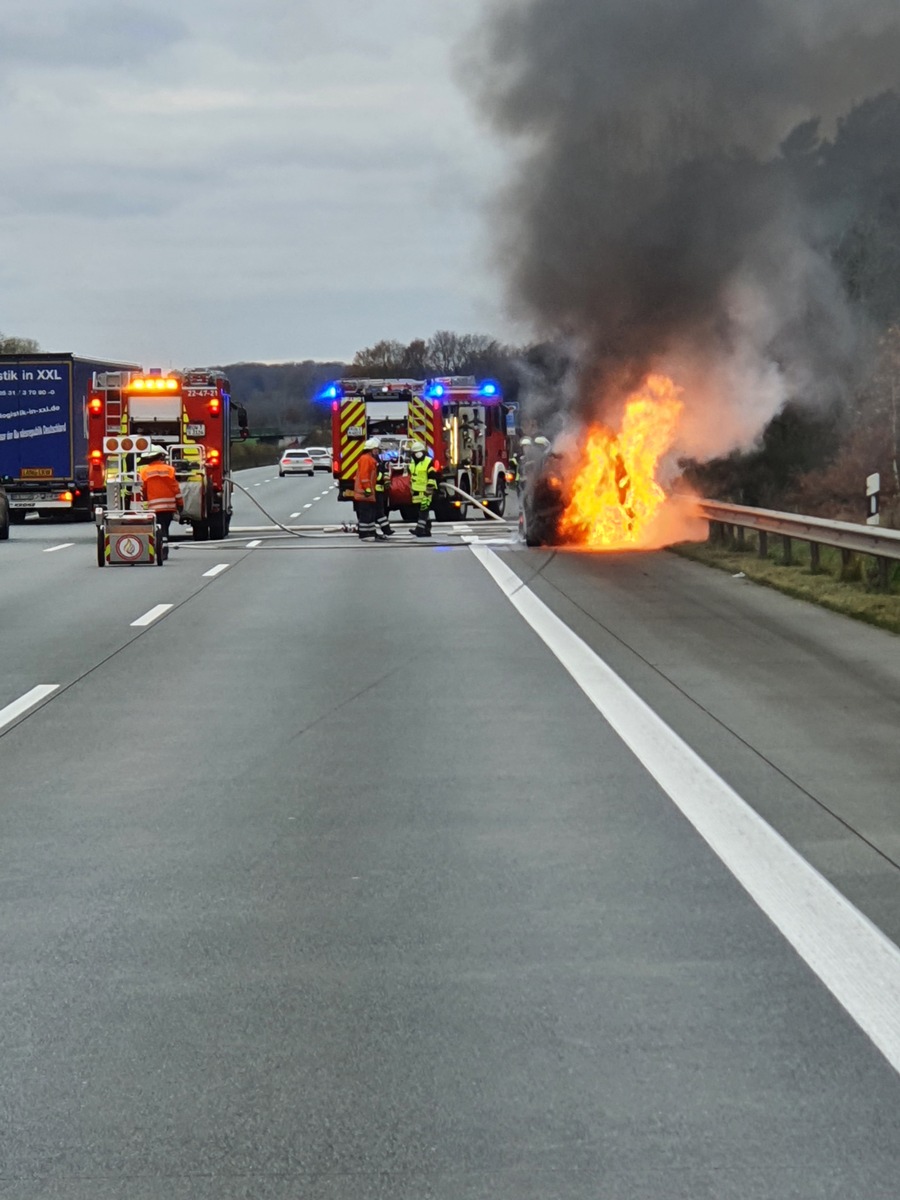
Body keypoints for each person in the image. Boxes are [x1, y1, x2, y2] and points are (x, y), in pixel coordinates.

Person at [138, 445, 184, 542]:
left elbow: (143, 490)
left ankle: (160, 542)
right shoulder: (170, 470)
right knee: (165, 527)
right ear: (161, 456)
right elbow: (175, 488)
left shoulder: (144, 472)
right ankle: (164, 541)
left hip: (154, 508)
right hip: (169, 507)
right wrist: (180, 503)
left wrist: (144, 504)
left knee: (158, 527)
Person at [407, 440, 439, 537]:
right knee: (421, 512)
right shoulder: (412, 463)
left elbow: (432, 476)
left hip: (426, 492)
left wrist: (429, 489)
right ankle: (427, 530)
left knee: (423, 511)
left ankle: (419, 530)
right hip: (416, 492)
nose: (416, 454)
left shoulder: (428, 462)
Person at [353, 437, 381, 541]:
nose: (377, 451)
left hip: (368, 493)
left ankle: (371, 532)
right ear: (371, 449)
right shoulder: (366, 459)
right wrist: (367, 489)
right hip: (364, 493)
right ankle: (364, 534)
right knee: (365, 514)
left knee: (371, 514)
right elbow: (364, 476)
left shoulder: (370, 459)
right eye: (375, 449)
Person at [373, 440, 394, 537]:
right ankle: (386, 530)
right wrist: (383, 478)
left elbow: (383, 470)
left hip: (378, 490)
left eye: (377, 449)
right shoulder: (371, 460)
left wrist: (386, 480)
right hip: (373, 490)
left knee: (378, 511)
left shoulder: (377, 459)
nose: (377, 451)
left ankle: (385, 530)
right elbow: (375, 476)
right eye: (375, 449)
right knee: (377, 512)